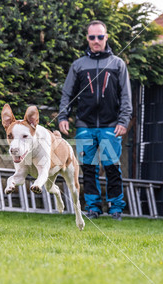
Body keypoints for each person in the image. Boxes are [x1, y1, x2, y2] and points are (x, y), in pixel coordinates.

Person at [58, 20, 132, 221]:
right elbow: (67, 94)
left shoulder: (118, 64)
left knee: (111, 168)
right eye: (92, 37)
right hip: (85, 126)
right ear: (88, 39)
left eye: (100, 36)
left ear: (106, 37)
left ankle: (116, 209)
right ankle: (93, 209)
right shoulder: (78, 66)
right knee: (89, 169)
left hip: (111, 126)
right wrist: (63, 116)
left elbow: (126, 96)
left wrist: (123, 121)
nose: (96, 41)